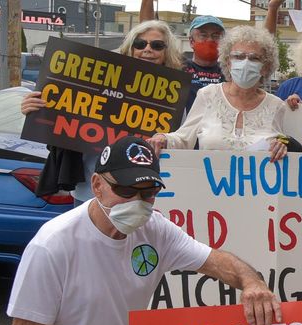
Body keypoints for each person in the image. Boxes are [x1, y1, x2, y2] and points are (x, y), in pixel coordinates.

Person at [4, 136, 282, 325]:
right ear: (97, 185)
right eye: (125, 190)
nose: (137, 203)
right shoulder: (53, 245)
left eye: (148, 193)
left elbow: (216, 262)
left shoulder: (155, 230)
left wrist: (251, 282)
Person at [23, 19, 185, 203]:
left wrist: (168, 139)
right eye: (140, 44)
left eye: (157, 45)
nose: (147, 49)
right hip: (91, 192)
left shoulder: (176, 97)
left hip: (145, 195)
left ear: (167, 53)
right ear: (130, 48)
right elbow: (60, 117)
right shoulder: (95, 81)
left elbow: (183, 141)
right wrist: (35, 109)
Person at [147, 26, 289, 161]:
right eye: (238, 57)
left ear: (266, 67)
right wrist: (162, 139)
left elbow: (289, 146)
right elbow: (183, 139)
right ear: (228, 62)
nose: (245, 63)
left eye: (254, 58)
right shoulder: (208, 95)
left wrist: (282, 148)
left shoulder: (277, 106)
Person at [183, 15, 227, 111]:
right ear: (191, 41)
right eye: (203, 35)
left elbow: (261, 51)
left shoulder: (229, 71)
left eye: (216, 36)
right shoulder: (179, 67)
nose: (210, 40)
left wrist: (269, 8)